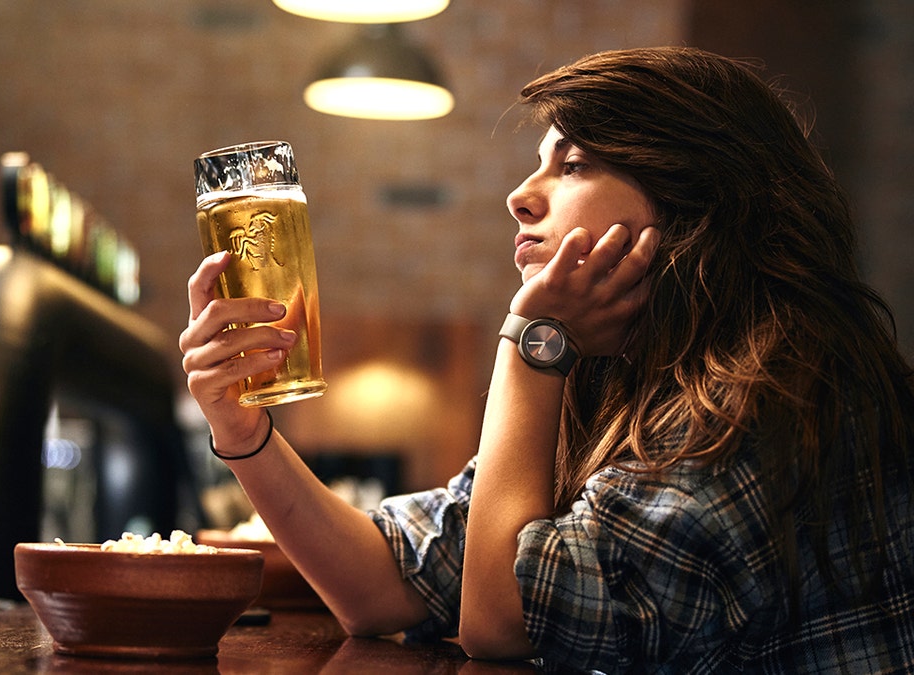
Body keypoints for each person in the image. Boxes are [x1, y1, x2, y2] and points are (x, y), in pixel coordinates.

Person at [179, 46, 914, 673]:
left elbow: (498, 620)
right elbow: (378, 585)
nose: (519, 198)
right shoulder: (625, 375)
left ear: (693, 199)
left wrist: (531, 344)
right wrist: (242, 430)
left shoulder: (771, 398)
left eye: (575, 164)